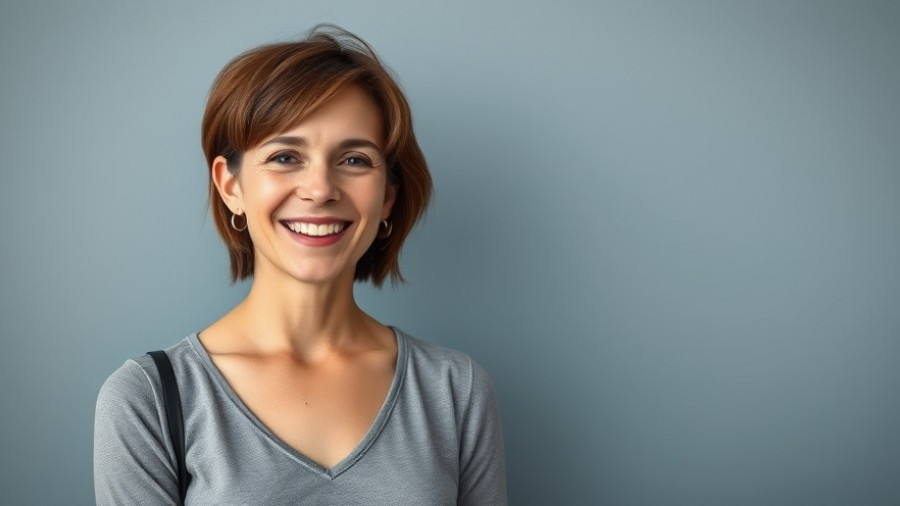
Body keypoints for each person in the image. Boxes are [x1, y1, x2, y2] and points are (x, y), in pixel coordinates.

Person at [93, 25, 507, 505]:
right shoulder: (145, 399)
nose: (320, 189)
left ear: (388, 196)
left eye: (354, 159)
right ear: (231, 186)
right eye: (286, 156)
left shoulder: (456, 390)